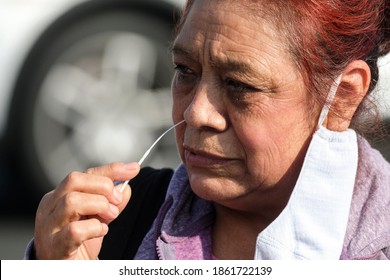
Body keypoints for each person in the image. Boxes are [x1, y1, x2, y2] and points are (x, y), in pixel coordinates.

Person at [26, 0, 390, 260]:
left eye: (239, 85)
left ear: (341, 97)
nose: (197, 113)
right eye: (185, 70)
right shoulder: (116, 226)